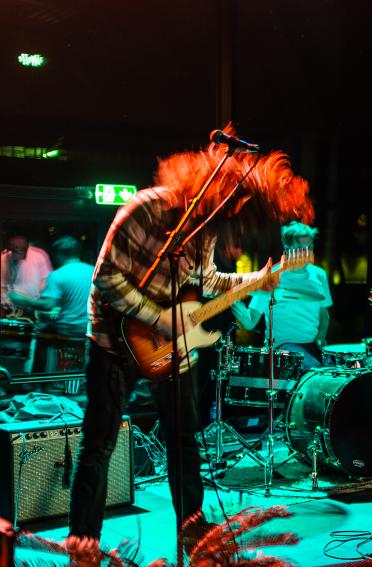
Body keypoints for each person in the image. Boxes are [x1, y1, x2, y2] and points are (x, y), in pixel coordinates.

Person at [68, 133, 314, 548]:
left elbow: (208, 280)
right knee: (99, 445)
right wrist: (159, 316)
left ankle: (193, 533)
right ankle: (83, 543)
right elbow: (107, 278)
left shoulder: (208, 229)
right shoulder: (145, 209)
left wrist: (259, 278)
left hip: (172, 345)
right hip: (113, 341)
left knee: (185, 441)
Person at [231, 221, 332, 370]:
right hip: (281, 348)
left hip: (312, 347)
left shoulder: (319, 275)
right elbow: (250, 321)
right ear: (287, 249)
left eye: (309, 247)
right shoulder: (271, 277)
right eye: (299, 248)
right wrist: (232, 301)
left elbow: (324, 312)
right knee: (313, 372)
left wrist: (321, 336)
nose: (305, 253)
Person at [8, 235, 94, 337]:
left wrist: (23, 300)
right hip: (89, 329)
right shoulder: (94, 271)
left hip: (67, 330)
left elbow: (48, 305)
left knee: (40, 330)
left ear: (59, 254)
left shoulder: (57, 275)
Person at [1, 233, 53, 315]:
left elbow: (48, 282)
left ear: (27, 245)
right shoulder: (4, 259)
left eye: (22, 248)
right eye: (15, 247)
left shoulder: (39, 256)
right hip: (11, 310)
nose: (18, 249)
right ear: (9, 246)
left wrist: (30, 299)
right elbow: (2, 286)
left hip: (33, 308)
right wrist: (4, 298)